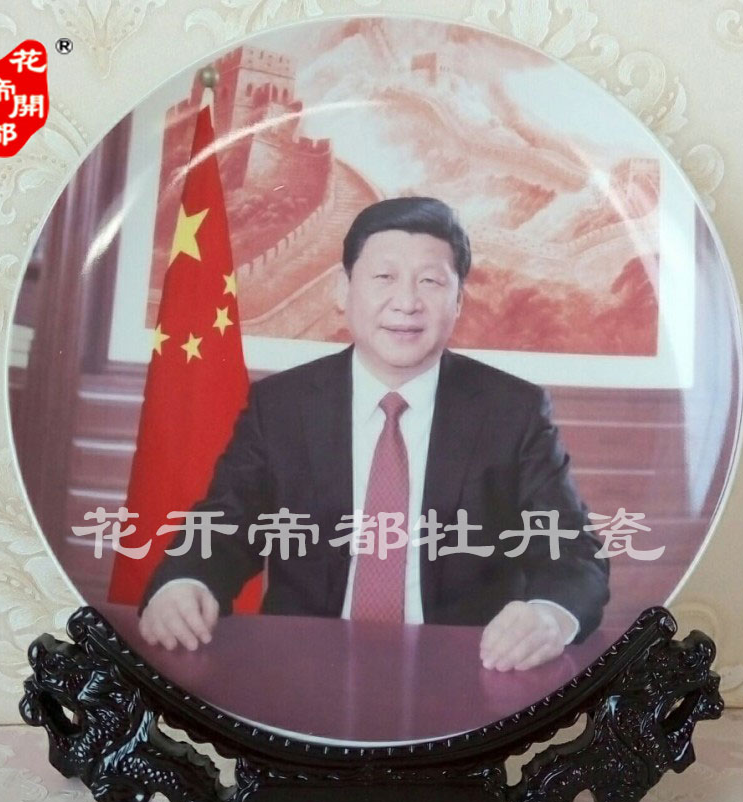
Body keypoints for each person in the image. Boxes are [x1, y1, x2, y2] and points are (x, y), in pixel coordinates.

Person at [138, 196, 609, 670]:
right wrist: (184, 583)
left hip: (465, 669)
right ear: (343, 290)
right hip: (302, 667)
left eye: (430, 281)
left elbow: (572, 550)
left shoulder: (513, 411)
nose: (406, 302)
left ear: (458, 301)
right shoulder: (281, 406)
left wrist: (548, 615)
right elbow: (224, 524)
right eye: (384, 277)